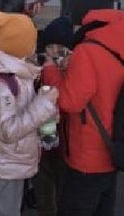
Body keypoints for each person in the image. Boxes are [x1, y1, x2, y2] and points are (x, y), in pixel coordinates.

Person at [42, 0, 124, 215]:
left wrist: (51, 70)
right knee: (104, 206)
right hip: (119, 146)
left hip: (90, 154)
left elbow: (70, 101)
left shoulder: (88, 50)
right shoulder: (123, 37)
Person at [0, 11, 59, 216]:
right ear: (20, 47)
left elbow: (24, 114)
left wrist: (47, 112)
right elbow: (7, 130)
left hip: (12, 163)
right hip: (1, 167)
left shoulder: (17, 73)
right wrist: (42, 106)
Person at [34, 16, 74, 216]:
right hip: (40, 140)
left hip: (64, 141)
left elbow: (61, 97)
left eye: (60, 48)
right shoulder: (38, 67)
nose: (54, 53)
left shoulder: (72, 69)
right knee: (43, 189)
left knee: (62, 187)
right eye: (50, 47)